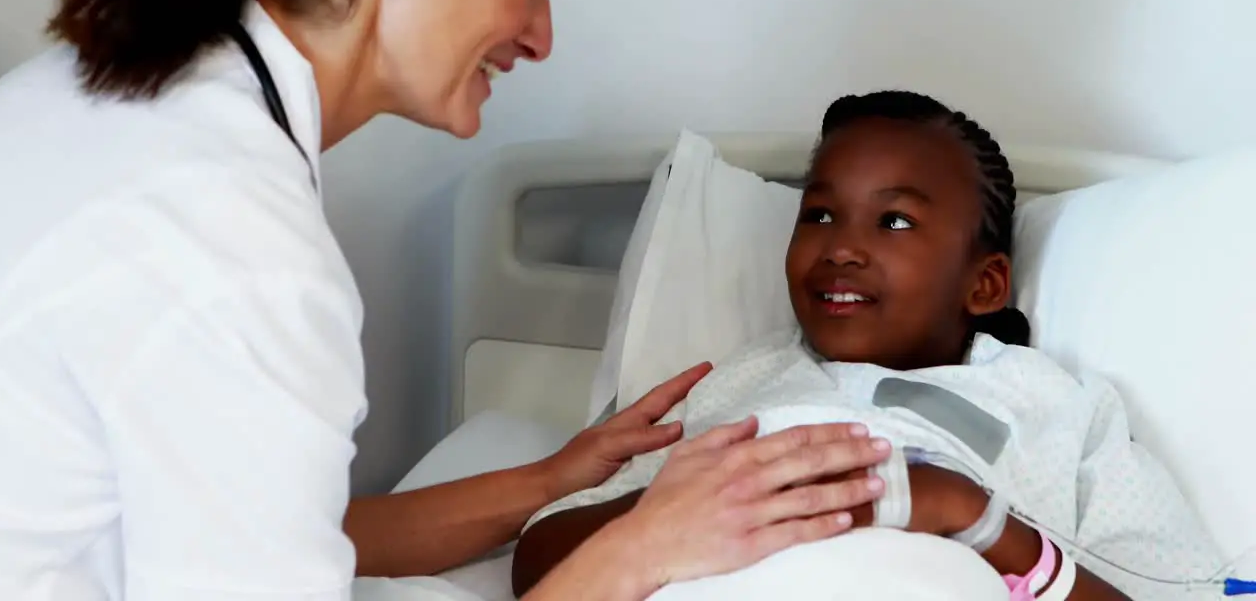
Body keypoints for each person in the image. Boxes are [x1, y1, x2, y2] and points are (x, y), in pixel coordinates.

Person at [0, 0, 896, 599]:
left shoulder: (79, 95)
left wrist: (552, 481)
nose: (540, 35)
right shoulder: (237, 249)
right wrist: (637, 553)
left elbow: (283, 536)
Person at [512, 91, 1223, 600]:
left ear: (985, 284)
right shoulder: (738, 386)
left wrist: (967, 514)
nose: (842, 246)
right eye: (819, 213)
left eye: (895, 222)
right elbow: (540, 567)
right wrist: (690, 510)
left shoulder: (1055, 407)